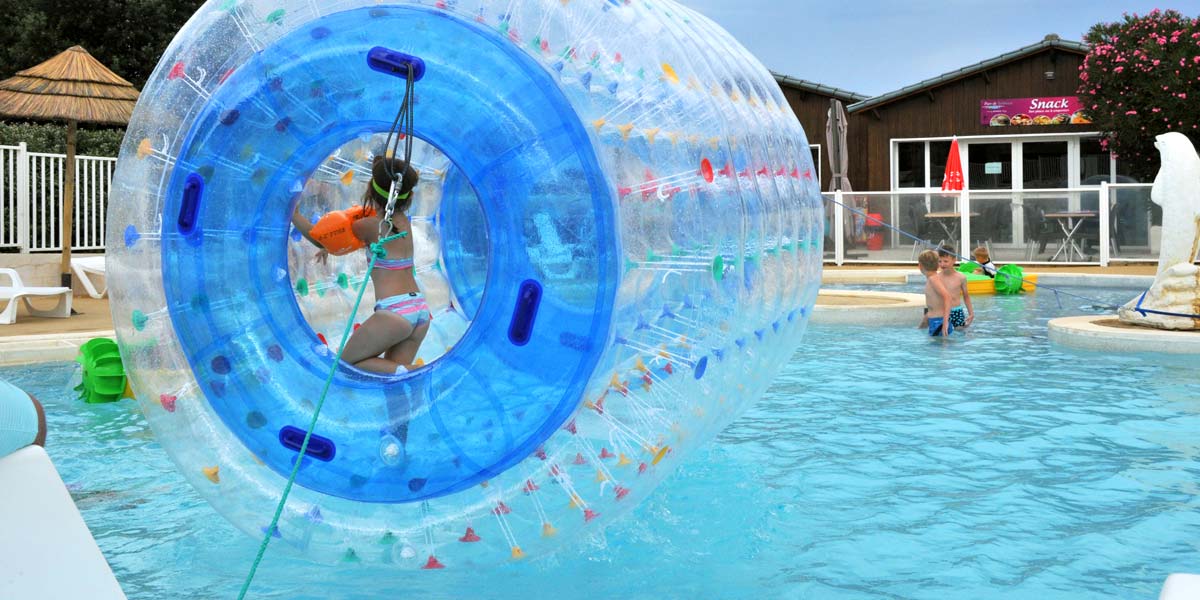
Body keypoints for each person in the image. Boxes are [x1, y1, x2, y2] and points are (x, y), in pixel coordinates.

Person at [292, 156, 428, 375]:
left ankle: (416, 371)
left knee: (344, 365)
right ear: (408, 197)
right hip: (419, 310)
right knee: (392, 381)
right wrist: (333, 248)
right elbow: (374, 244)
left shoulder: (370, 225)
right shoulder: (403, 222)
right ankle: (408, 375)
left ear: (370, 191)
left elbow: (320, 238)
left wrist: (294, 214)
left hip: (395, 312)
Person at [918, 249, 953, 337]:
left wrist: (945, 323)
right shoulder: (933, 278)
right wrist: (924, 322)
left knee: (939, 349)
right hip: (936, 321)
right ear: (938, 265)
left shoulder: (933, 279)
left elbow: (947, 297)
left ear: (920, 266)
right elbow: (935, 305)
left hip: (939, 323)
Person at [936, 248, 974, 330]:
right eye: (939, 261)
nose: (942, 264)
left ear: (954, 260)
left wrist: (971, 313)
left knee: (960, 333)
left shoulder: (961, 277)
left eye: (945, 261)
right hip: (941, 312)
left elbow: (966, 296)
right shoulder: (937, 278)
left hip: (957, 312)